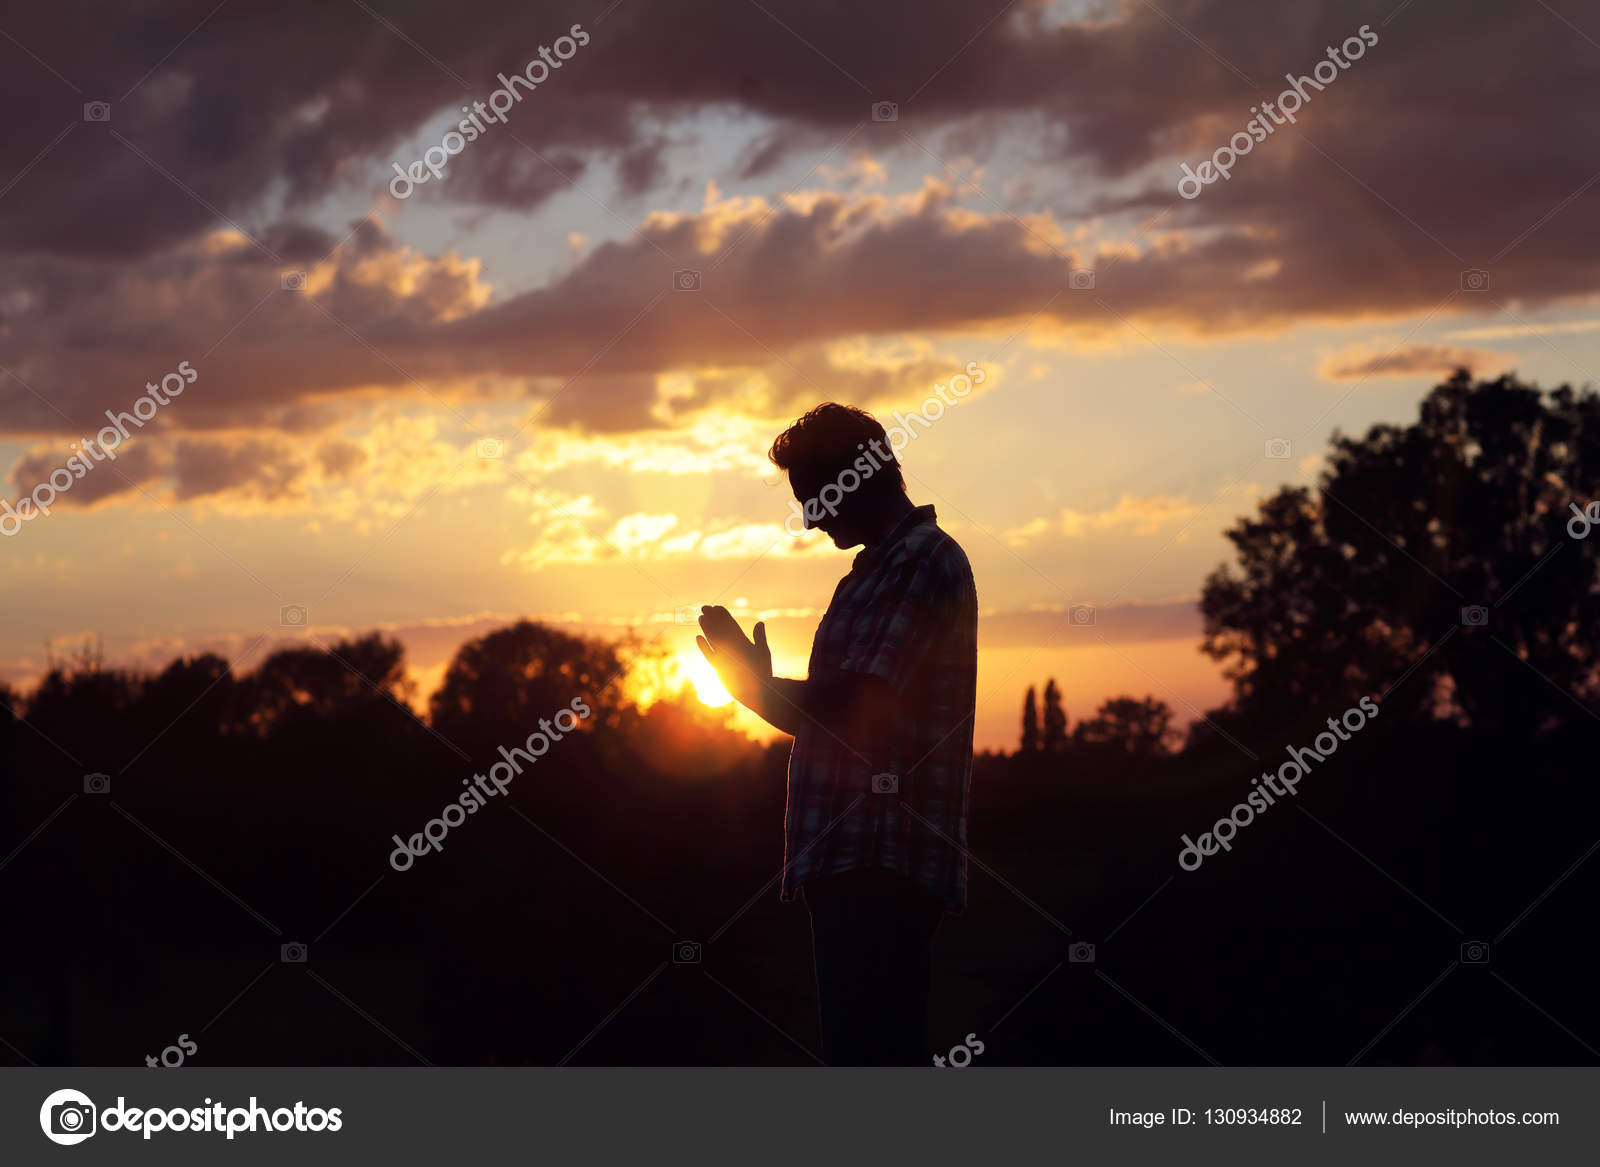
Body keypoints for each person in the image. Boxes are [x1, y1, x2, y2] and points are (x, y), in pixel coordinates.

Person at [696, 402, 978, 1065]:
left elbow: (863, 703)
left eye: (814, 496)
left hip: (882, 860)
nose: (811, 517)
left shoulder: (922, 561)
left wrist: (757, 687)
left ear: (857, 477)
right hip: (849, 860)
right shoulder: (869, 575)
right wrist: (752, 689)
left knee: (874, 1056)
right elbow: (822, 719)